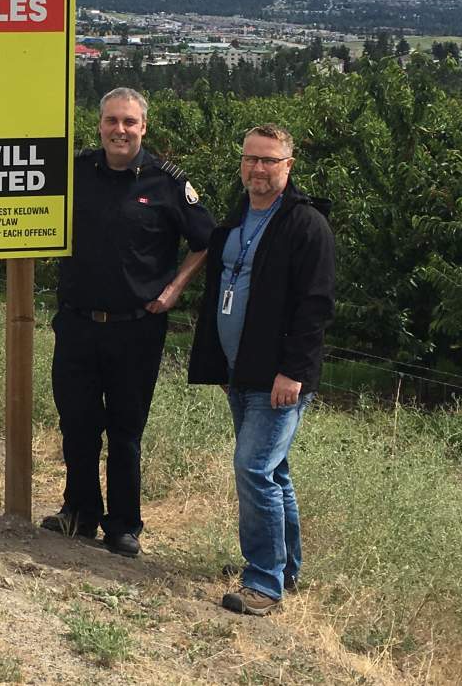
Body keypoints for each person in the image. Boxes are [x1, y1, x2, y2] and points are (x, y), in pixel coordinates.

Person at [44, 87, 214, 556]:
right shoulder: (75, 171)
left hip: (136, 328)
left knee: (125, 431)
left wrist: (174, 289)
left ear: (144, 127)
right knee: (77, 425)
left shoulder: (167, 183)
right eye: (111, 121)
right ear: (99, 125)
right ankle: (79, 513)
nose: (120, 130)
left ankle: (123, 526)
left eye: (129, 122)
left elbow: (206, 240)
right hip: (77, 323)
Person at [188, 124, 334, 616]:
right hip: (240, 371)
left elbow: (315, 306)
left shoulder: (306, 225)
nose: (258, 169)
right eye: (251, 158)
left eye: (269, 160)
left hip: (279, 378)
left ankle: (263, 582)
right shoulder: (236, 218)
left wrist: (293, 372)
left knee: (253, 468)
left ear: (288, 166)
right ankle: (285, 570)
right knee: (273, 471)